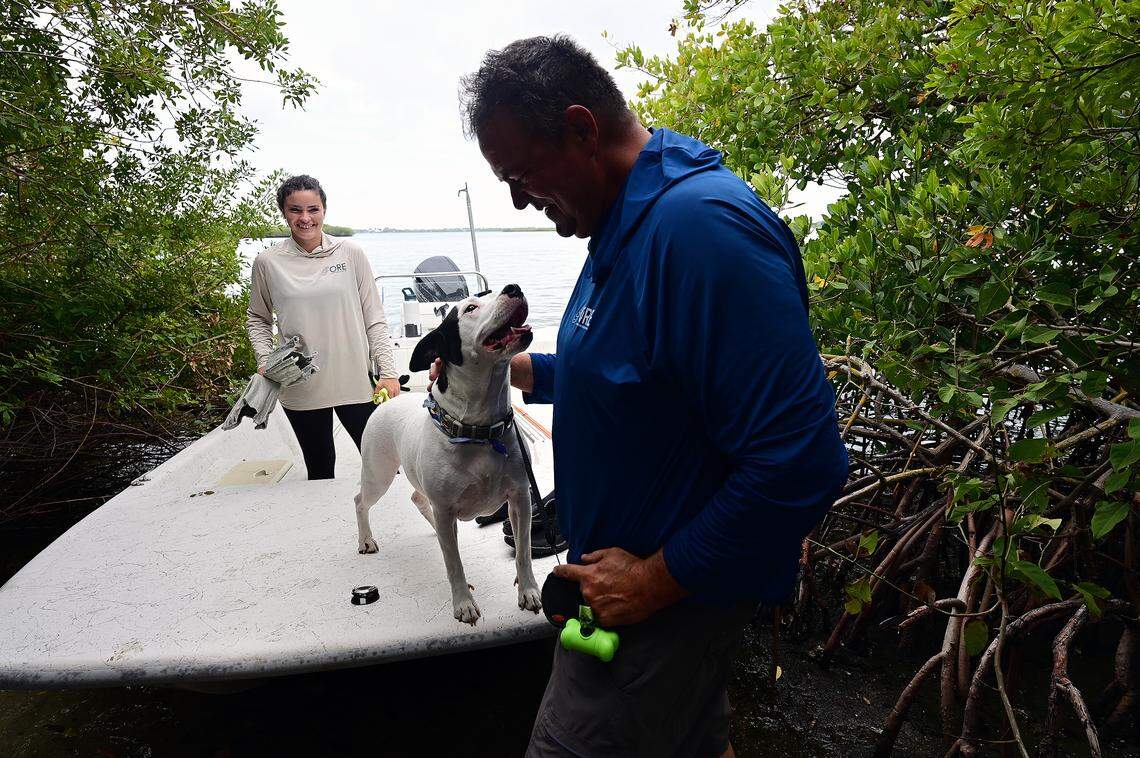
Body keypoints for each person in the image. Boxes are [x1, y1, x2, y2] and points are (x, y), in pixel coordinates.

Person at [459, 37, 849, 757]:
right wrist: (520, 372)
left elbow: (803, 461)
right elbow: (631, 369)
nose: (517, 199)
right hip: (625, 591)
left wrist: (654, 581)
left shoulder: (700, 230)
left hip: (654, 605)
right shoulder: (621, 222)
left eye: (521, 174)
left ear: (582, 129)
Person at [246, 175, 400, 479]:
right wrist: (265, 361)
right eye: (295, 210)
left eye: (313, 209)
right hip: (301, 385)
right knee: (319, 471)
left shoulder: (350, 254)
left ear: (324, 211)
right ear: (283, 212)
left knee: (386, 467)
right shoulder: (268, 262)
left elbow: (374, 317)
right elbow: (258, 318)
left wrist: (389, 372)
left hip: (355, 383)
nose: (305, 218)